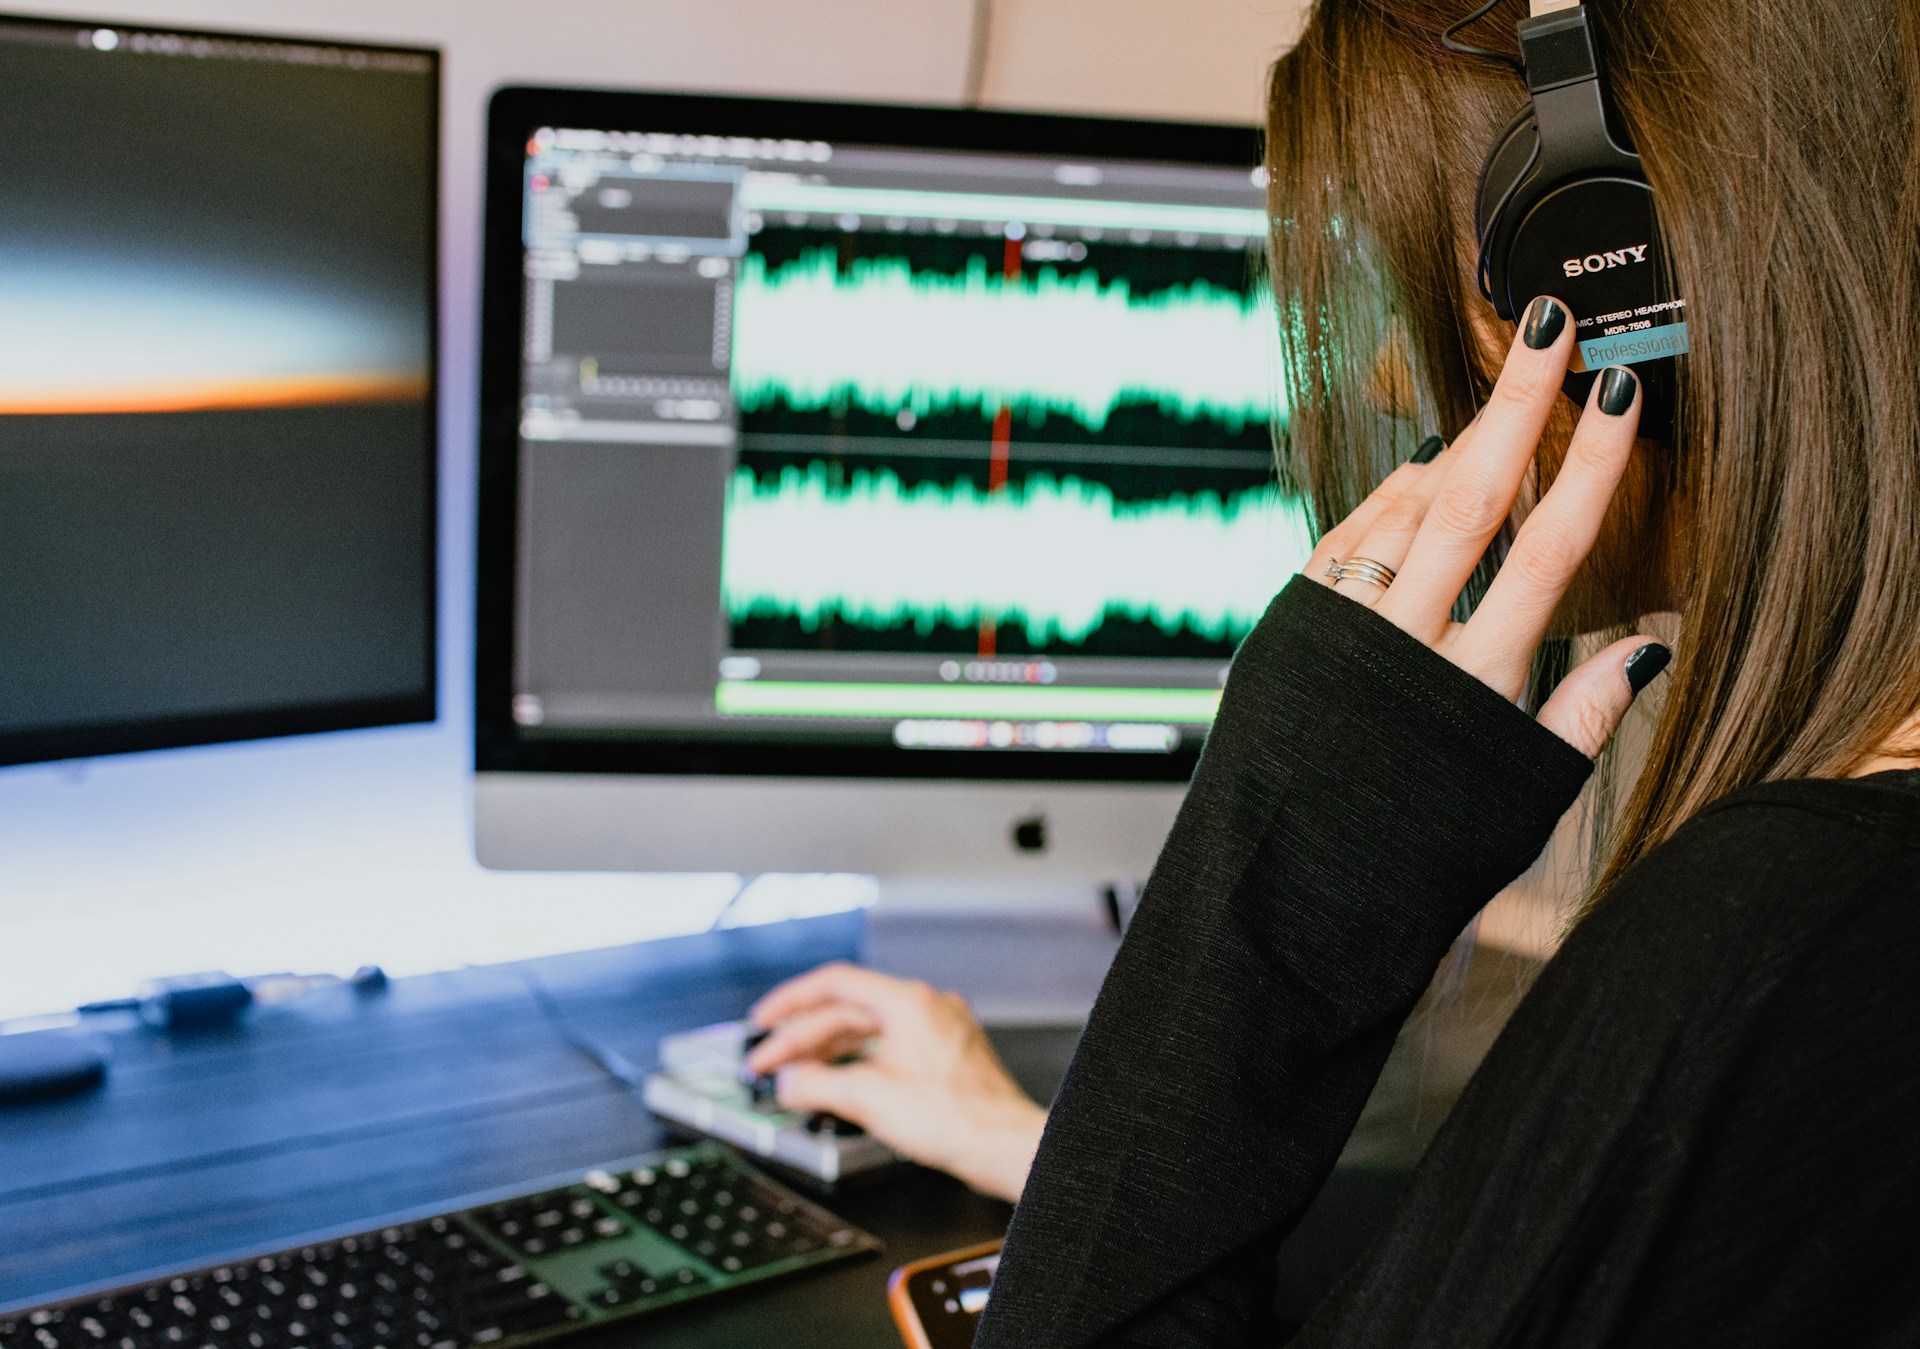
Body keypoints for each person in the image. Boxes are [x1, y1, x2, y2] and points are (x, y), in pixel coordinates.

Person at [768, 0, 1920, 1344]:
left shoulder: (1777, 938)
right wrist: (1072, 1159)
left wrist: (1281, 854)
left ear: (1623, 281)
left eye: (1447, 288)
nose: (1382, 373)